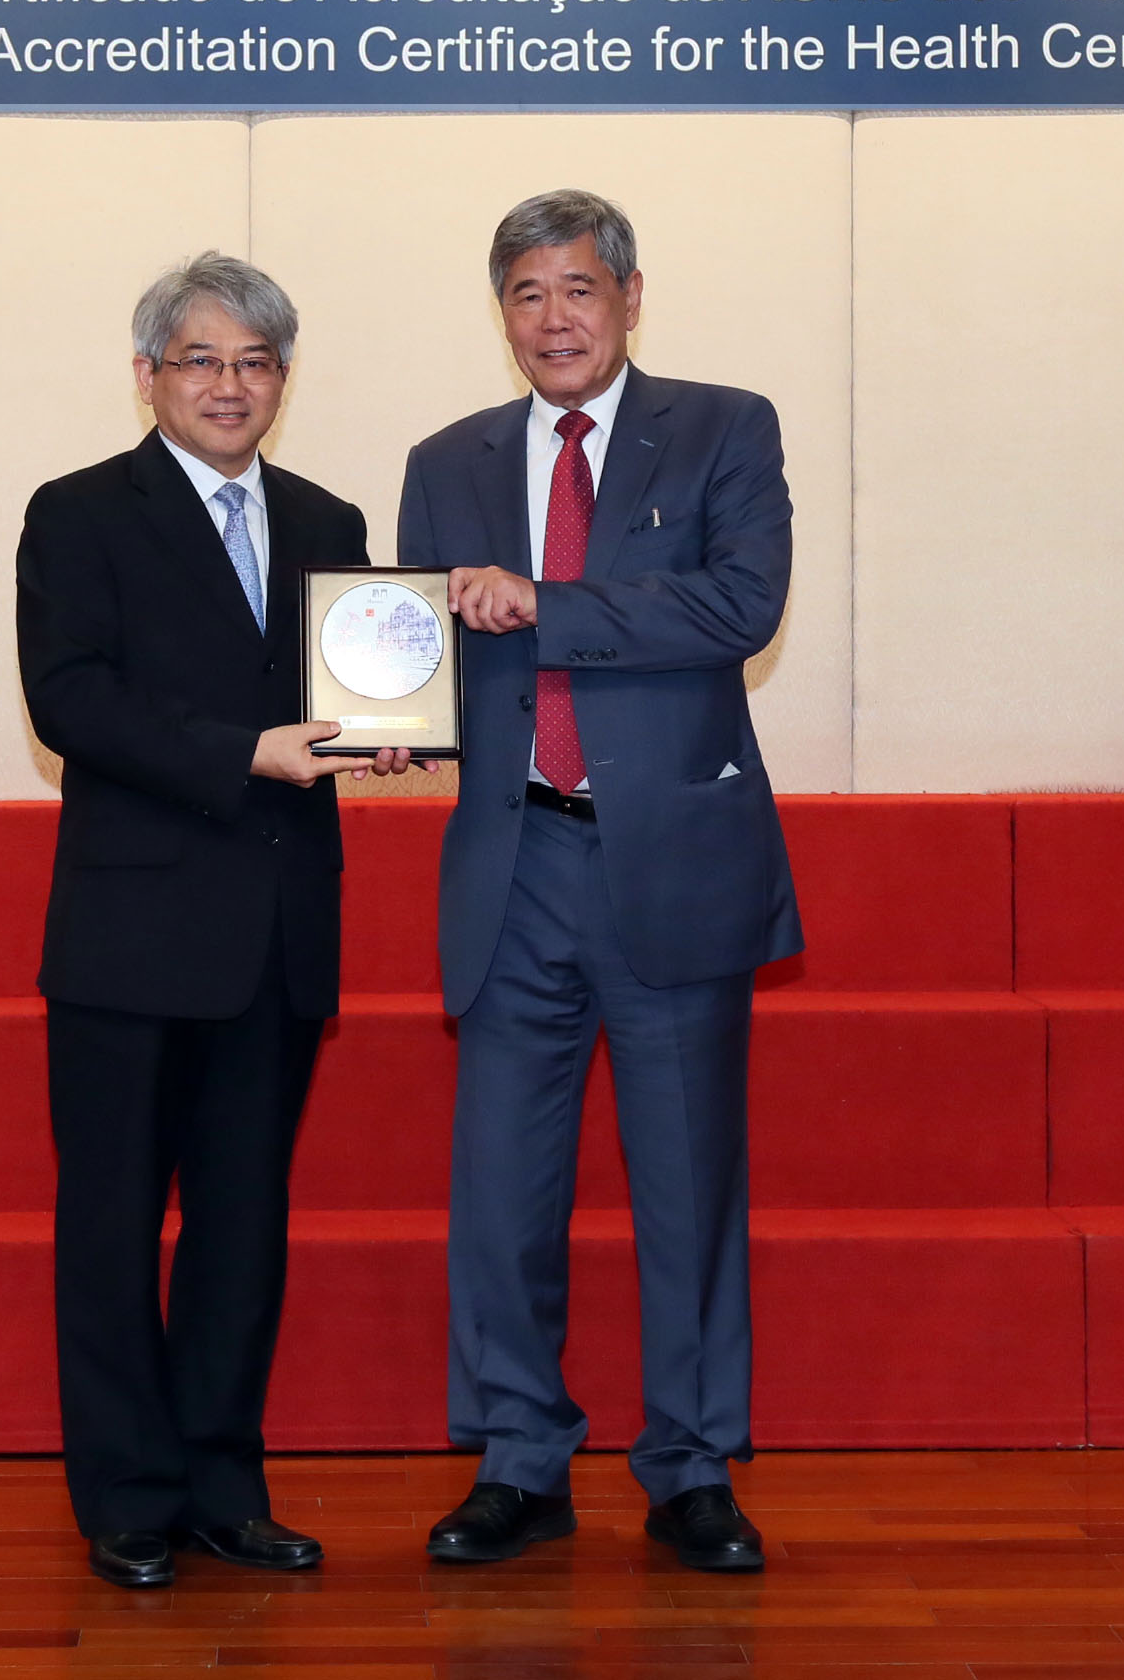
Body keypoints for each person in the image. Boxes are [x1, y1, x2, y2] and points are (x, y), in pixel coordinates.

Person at [396, 189, 800, 1575]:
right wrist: (375, 708)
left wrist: (545, 603)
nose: (554, 317)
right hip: (513, 865)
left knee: (688, 1187)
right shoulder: (445, 460)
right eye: (527, 293)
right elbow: (422, 656)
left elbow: (740, 604)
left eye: (578, 288)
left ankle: (693, 1468)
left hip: (671, 864)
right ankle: (519, 1459)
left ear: (629, 297)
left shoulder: (724, 427)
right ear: (500, 312)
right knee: (502, 1191)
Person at [15, 251, 398, 1589]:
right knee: (112, 1226)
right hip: (130, 937)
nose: (229, 386)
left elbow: (362, 687)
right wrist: (243, 752)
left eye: (254, 363)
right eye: (201, 361)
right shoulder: (78, 513)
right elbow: (70, 699)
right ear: (149, 376)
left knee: (243, 1229)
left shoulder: (327, 517)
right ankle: (127, 1495)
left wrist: (389, 732)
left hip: (276, 937)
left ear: (283, 380)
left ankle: (226, 1486)